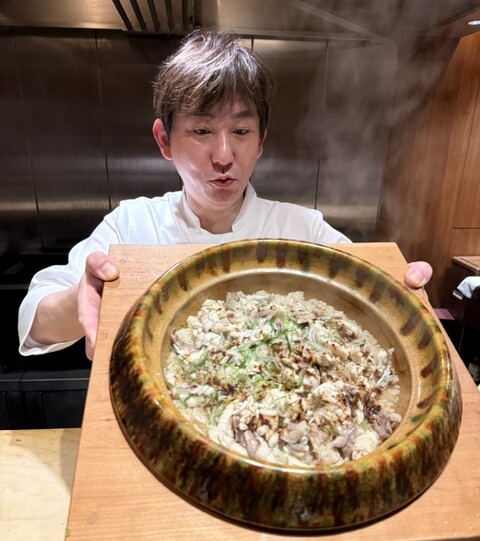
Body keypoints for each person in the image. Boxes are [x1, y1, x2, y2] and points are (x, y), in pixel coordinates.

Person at [18, 28, 432, 361]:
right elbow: (33, 322)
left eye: (240, 131)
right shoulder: (131, 226)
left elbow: (374, 298)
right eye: (201, 130)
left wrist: (406, 298)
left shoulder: (304, 230)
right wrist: (81, 298)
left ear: (261, 140)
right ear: (164, 140)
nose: (223, 156)